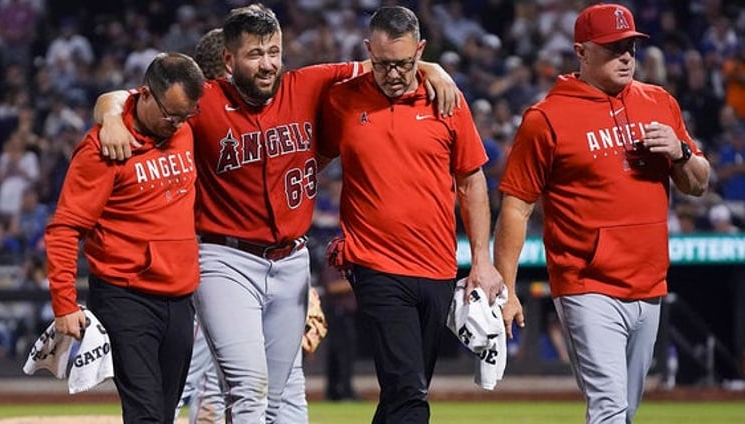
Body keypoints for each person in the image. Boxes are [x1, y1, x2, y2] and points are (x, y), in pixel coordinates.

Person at [94, 4, 460, 423]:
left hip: (291, 262)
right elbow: (126, 98)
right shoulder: (205, 100)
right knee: (249, 390)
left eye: (273, 51)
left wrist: (434, 70)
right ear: (230, 60)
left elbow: (384, 63)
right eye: (255, 54)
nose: (268, 64)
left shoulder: (306, 84)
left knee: (273, 397)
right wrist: (110, 116)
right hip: (225, 258)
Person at [493, 4, 710, 424]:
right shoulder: (546, 118)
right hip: (586, 283)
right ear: (581, 52)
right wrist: (506, 288)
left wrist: (681, 153)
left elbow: (698, 184)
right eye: (612, 48)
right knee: (609, 409)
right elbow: (517, 206)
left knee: (624, 411)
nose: (626, 56)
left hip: (649, 281)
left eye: (629, 46)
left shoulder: (659, 102)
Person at [317, 6, 503, 423]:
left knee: (405, 390)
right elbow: (310, 160)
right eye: (383, 64)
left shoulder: (447, 99)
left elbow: (472, 183)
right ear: (368, 52)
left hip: (437, 268)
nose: (394, 74)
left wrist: (483, 261)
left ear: (420, 50)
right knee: (408, 390)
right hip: (375, 264)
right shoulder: (344, 99)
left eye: (403, 63)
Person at [45, 52, 205, 423]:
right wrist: (64, 303)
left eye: (186, 116)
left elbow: (117, 98)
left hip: (180, 296)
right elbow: (65, 227)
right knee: (146, 413)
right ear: (147, 95)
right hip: (126, 295)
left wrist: (111, 110)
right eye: (171, 115)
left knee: (164, 413)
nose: (177, 124)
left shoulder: (180, 126)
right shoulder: (103, 149)